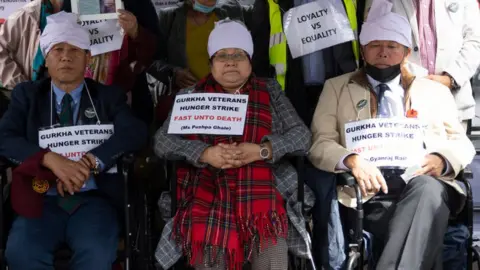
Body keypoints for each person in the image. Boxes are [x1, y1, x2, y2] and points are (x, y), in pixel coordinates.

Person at [308, 0, 475, 268]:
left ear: (406, 52)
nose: (383, 52)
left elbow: (462, 144)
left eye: (392, 46)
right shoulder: (337, 88)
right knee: (420, 230)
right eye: (375, 45)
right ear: (363, 50)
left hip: (421, 182)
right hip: (366, 191)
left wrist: (440, 159)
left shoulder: (434, 90)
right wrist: (352, 160)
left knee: (427, 191)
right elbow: (319, 144)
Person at [153, 19, 314, 270]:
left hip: (262, 196)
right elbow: (162, 142)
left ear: (250, 61)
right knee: (211, 255)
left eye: (238, 54)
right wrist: (204, 153)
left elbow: (301, 136)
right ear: (211, 63)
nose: (230, 61)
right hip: (206, 190)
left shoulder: (269, 91)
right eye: (222, 55)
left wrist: (262, 150)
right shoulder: (190, 96)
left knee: (273, 258)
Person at [0, 12, 146, 269]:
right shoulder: (27, 96)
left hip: (94, 199)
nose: (66, 56)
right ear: (46, 59)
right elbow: (5, 138)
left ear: (88, 58)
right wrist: (49, 159)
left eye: (75, 50)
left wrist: (91, 160)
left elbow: (134, 131)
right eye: (58, 49)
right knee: (21, 253)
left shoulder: (108, 96)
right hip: (41, 196)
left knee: (97, 254)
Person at [0, 0, 157, 96]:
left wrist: (137, 32)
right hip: (46, 104)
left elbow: (155, 52)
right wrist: (21, 87)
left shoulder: (133, 4)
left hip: (113, 100)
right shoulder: (29, 14)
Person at [364, 0, 480, 129]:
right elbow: (373, 42)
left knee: (452, 147)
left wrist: (451, 78)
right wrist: (416, 81)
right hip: (402, 101)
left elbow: (475, 42)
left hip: (454, 100)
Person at [146, 0, 252, 125]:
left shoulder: (232, 10)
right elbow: (150, 60)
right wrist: (173, 73)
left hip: (228, 100)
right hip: (190, 103)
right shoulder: (169, 18)